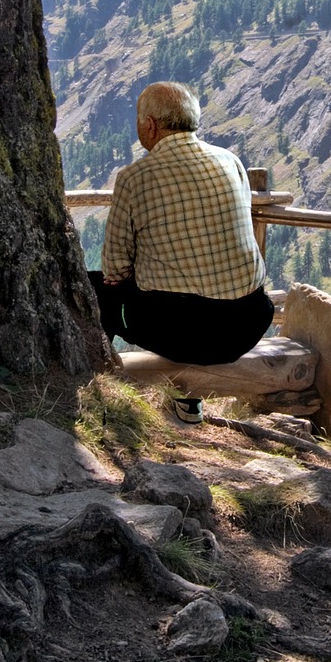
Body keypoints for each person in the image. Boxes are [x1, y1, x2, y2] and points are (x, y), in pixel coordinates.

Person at [91, 81, 275, 422]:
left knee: (94, 288)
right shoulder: (230, 160)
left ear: (150, 125)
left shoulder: (135, 178)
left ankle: (99, 387)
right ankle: (188, 405)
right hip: (248, 323)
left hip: (182, 334)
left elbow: (115, 270)